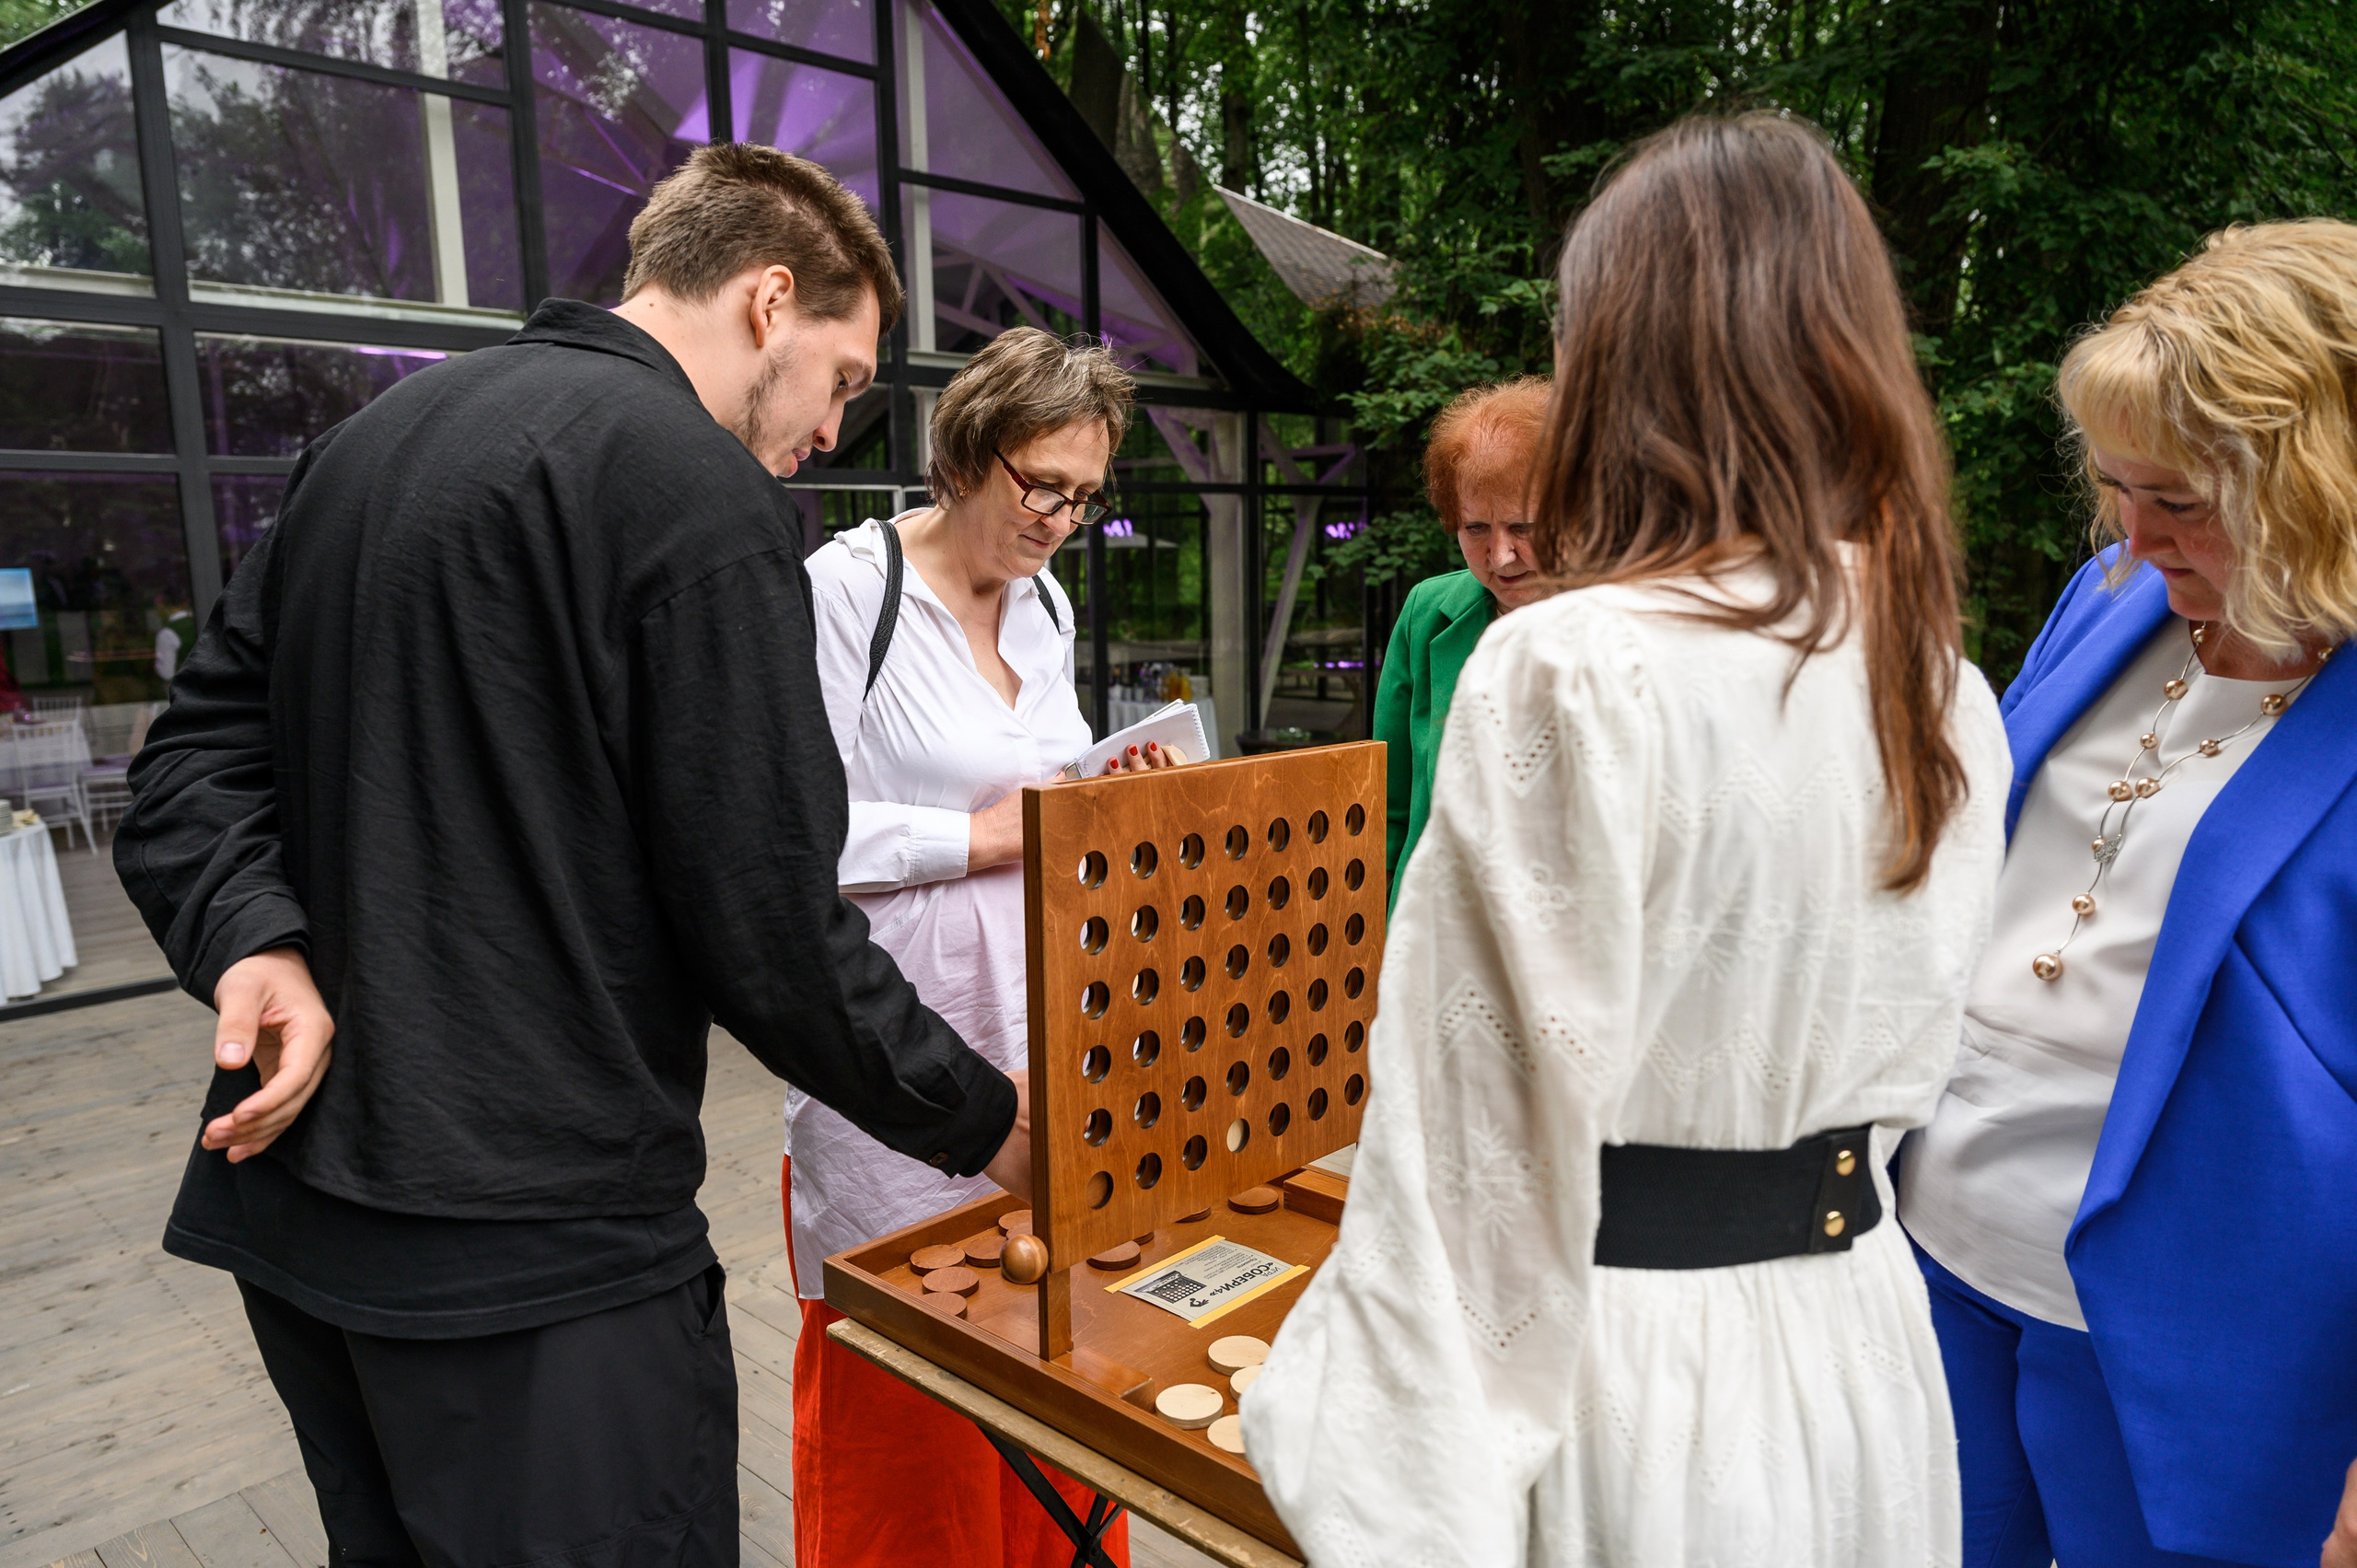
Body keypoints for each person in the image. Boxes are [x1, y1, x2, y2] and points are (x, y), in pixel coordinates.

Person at [116, 145, 1031, 1568]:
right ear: (768, 300)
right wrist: (985, 1117)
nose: (836, 429)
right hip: (543, 1261)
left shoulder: (372, 438)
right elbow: (766, 919)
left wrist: (254, 936)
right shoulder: (701, 492)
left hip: (305, 1228)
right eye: (846, 377)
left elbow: (184, 759)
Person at [1241, 111, 2012, 1564]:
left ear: (1623, 361)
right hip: (1852, 1353)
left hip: (1619, 1378)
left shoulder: (1572, 669)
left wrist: (1385, 1484)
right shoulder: (1939, 679)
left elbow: (1466, 1157)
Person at [1897, 221, 2357, 1568]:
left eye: (2184, 501)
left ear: (2324, 486)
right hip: (1936, 1266)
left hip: (2201, 1361)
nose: (2136, 537)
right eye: (2117, 489)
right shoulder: (2108, 598)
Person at [786, 326, 1177, 1568]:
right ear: (964, 454)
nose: (1061, 516)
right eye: (1040, 484)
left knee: (1053, 1312)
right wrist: (974, 835)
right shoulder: (847, 591)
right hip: (898, 1029)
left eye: (1085, 493)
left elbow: (1043, 790)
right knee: (915, 1335)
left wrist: (1110, 789)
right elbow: (786, 834)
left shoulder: (1048, 598)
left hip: (1041, 1005)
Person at [1373, 377, 1550, 905]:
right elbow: (1390, 802)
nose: (1500, 556)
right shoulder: (1428, 612)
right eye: (1475, 529)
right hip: (1438, 923)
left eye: (1524, 526)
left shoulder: (1627, 619)